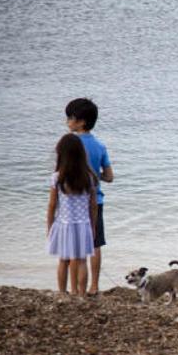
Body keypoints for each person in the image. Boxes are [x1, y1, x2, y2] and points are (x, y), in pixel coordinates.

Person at [65, 98, 113, 295]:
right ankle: (94, 286)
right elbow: (109, 177)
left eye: (70, 118)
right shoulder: (100, 146)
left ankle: (74, 287)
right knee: (95, 243)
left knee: (74, 245)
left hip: (73, 201)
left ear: (81, 122)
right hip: (96, 201)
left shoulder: (69, 144)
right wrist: (95, 174)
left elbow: (62, 173)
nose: (67, 121)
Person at [47, 133, 98, 296]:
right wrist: (93, 225)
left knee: (63, 260)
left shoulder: (57, 178)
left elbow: (52, 205)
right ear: (81, 154)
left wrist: (49, 226)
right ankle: (81, 293)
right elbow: (93, 206)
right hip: (83, 224)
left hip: (64, 224)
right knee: (82, 260)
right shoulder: (89, 178)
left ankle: (63, 292)